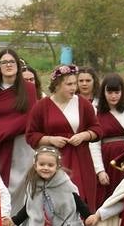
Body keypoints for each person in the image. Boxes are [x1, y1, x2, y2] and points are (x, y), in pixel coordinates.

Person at [25, 65, 105, 210]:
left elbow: (97, 129)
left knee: (79, 201)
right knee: (54, 203)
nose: (74, 87)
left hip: (80, 160)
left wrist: (84, 135)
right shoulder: (42, 106)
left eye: (75, 83)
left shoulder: (83, 104)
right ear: (57, 85)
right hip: (52, 162)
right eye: (69, 84)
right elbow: (31, 135)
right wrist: (50, 140)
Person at [0, 48, 38, 197]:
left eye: (11, 62)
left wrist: (2, 132)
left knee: (20, 189)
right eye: (4, 62)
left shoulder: (29, 89)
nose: (8, 65)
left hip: (21, 147)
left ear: (17, 65)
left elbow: (29, 118)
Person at [92, 73, 124, 195]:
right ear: (103, 92)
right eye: (109, 92)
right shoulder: (96, 110)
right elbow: (94, 145)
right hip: (107, 160)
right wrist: (99, 170)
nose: (113, 96)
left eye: (117, 92)